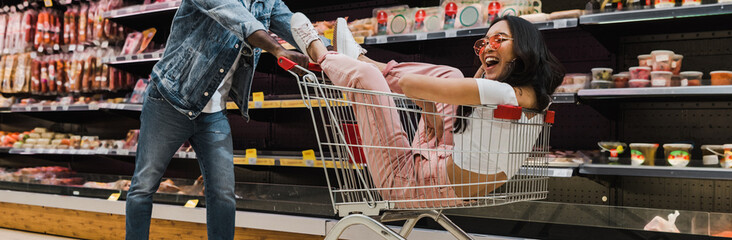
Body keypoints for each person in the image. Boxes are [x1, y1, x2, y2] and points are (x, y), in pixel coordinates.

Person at [290, 13, 564, 208]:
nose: (486, 48)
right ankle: (356, 57)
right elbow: (518, 95)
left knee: (365, 78)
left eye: (498, 40)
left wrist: (430, 107)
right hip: (441, 163)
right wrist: (434, 112)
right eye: (483, 43)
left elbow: (409, 84)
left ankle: (320, 52)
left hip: (406, 181)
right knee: (453, 74)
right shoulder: (539, 98)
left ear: (523, 47)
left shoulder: (499, 92)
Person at [125, 0, 309, 239]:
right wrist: (277, 50)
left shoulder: (266, 2)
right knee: (143, 186)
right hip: (169, 101)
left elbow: (295, 26)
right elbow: (237, 18)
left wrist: (332, 52)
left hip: (213, 112)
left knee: (223, 193)